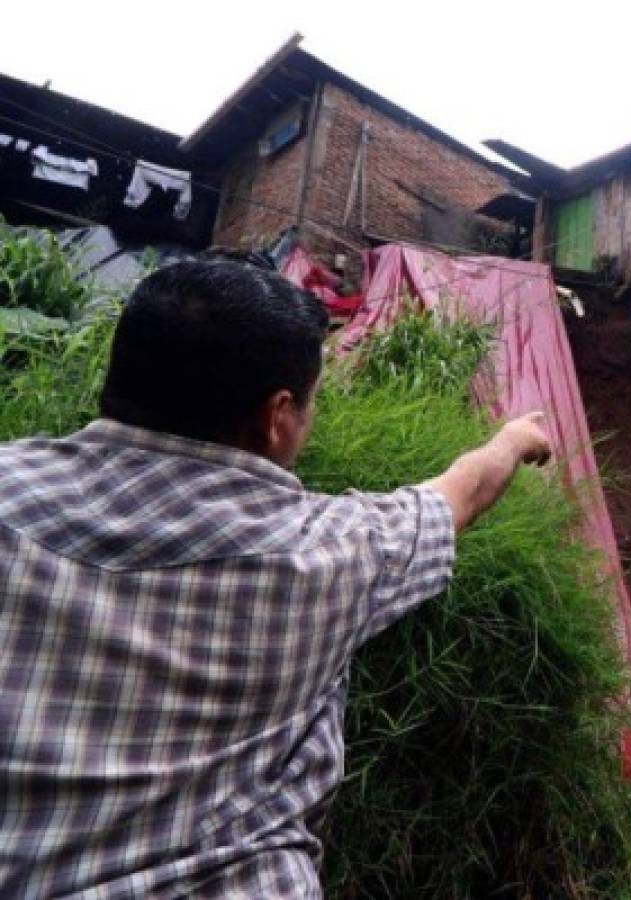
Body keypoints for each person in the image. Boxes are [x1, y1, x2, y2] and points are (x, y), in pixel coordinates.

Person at [0, 260, 551, 898]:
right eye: (315, 400)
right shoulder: (331, 554)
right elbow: (461, 493)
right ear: (277, 415)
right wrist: (512, 440)